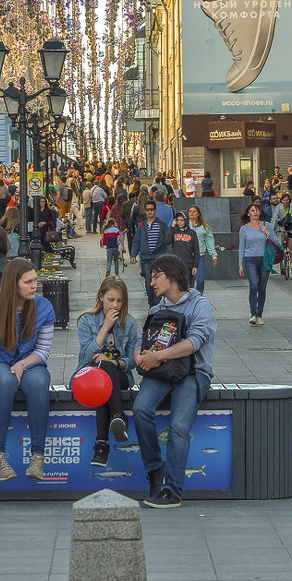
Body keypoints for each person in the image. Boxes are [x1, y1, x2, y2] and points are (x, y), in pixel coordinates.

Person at [132, 254, 217, 509]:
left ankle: (172, 490)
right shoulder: (157, 309)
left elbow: (194, 342)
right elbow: (140, 340)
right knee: (140, 409)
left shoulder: (199, 305)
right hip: (161, 374)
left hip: (192, 374)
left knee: (179, 427)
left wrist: (158, 356)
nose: (152, 281)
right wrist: (141, 357)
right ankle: (155, 468)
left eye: (156, 275)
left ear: (171, 277)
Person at [0, 258, 55, 481]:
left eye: (35, 280)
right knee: (5, 382)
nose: (34, 285)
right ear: (13, 284)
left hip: (29, 362)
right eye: (28, 282)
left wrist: (22, 364)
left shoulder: (43, 307)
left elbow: (43, 350)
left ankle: (38, 457)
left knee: (38, 383)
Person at [73, 276, 139, 468]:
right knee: (101, 376)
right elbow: (86, 358)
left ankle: (101, 445)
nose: (115, 305)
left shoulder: (130, 323)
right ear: (101, 297)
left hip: (119, 375)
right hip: (88, 377)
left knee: (106, 368)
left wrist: (114, 362)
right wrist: (105, 329)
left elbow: (134, 359)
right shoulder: (87, 320)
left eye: (120, 301)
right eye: (111, 300)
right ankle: (118, 417)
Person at [239, 202, 276, 325]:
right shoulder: (244, 229)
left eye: (257, 210)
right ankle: (253, 314)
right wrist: (240, 264)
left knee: (262, 287)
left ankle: (260, 314)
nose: (255, 213)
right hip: (250, 259)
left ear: (260, 213)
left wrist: (267, 233)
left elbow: (276, 241)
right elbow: (241, 247)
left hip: (264, 259)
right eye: (252, 211)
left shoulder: (266, 225)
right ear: (248, 213)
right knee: (253, 286)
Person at [129, 200, 167, 307]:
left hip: (158, 258)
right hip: (146, 258)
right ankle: (151, 304)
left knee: (159, 282)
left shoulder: (162, 225)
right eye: (147, 210)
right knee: (148, 283)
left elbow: (167, 242)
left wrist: (168, 256)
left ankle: (157, 304)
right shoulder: (141, 225)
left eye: (152, 209)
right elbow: (136, 241)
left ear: (155, 210)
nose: (150, 212)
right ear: (145, 211)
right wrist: (133, 255)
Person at [187, 206, 218, 294]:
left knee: (200, 280)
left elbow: (210, 241)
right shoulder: (184, 225)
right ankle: (189, 301)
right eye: (190, 211)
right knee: (189, 282)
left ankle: (198, 297)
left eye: (194, 211)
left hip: (200, 256)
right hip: (187, 257)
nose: (192, 213)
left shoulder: (204, 227)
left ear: (198, 213)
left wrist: (214, 255)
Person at [270, 192, 292, 272]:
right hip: (281, 227)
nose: (286, 202)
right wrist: (272, 229)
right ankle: (282, 261)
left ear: (289, 201)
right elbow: (274, 218)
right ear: (282, 201)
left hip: (290, 227)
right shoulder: (278, 208)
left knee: (290, 246)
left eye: (287, 200)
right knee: (282, 244)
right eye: (284, 200)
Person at [168, 213, 201, 286]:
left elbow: (196, 250)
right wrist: (172, 227)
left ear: (186, 221)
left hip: (188, 264)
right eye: (178, 220)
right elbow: (166, 241)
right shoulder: (174, 231)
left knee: (187, 287)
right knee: (177, 286)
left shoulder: (192, 233)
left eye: (182, 220)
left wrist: (195, 265)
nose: (179, 222)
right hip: (176, 264)